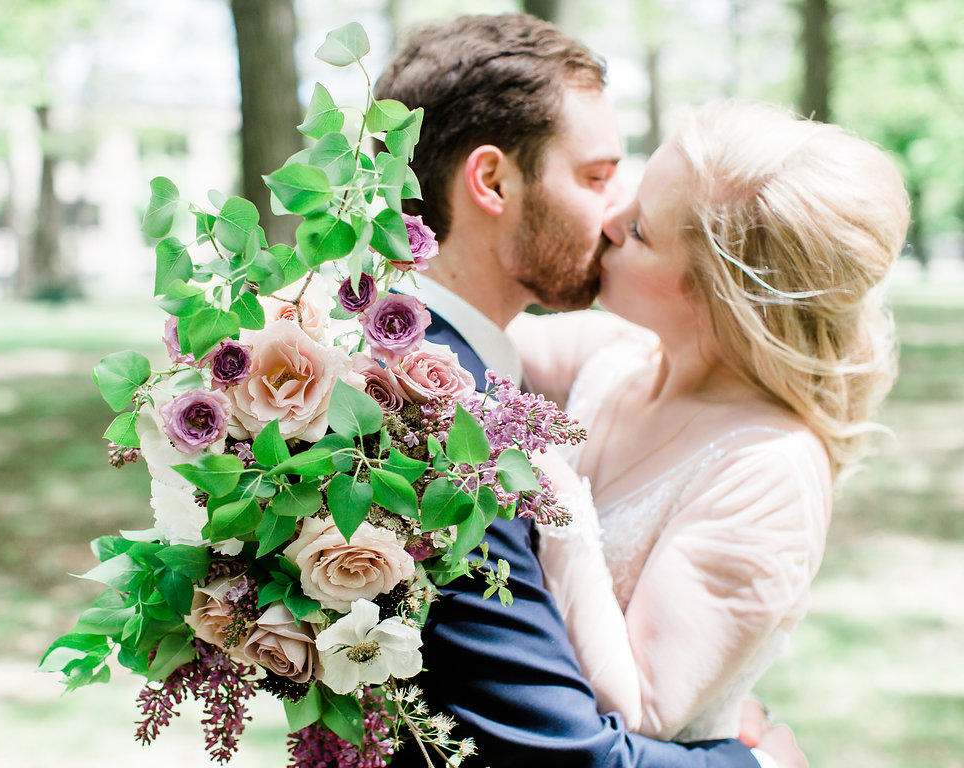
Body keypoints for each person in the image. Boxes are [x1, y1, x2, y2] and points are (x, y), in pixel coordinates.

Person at [375, 14, 806, 768]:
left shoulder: (401, 357)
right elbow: (557, 754)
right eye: (596, 178)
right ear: (492, 181)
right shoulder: (449, 426)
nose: (614, 217)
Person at [509, 100, 909, 742]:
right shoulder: (616, 358)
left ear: (720, 295)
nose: (609, 220)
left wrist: (548, 491)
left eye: (640, 231)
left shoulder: (768, 470)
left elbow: (640, 710)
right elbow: (458, 344)